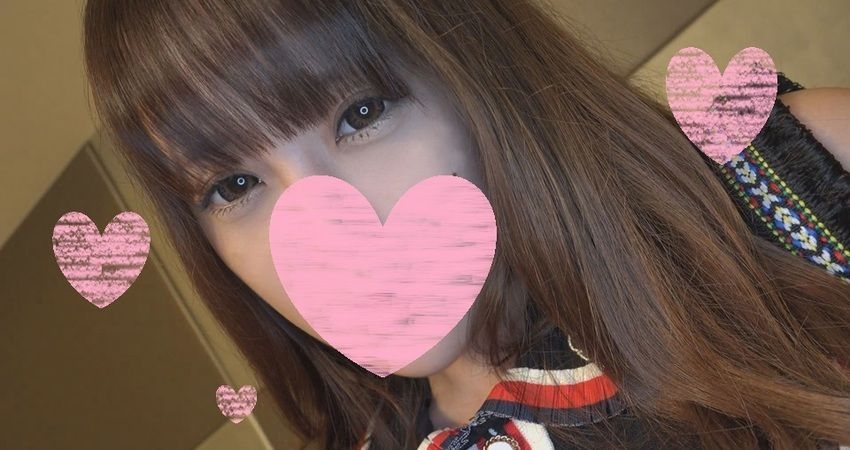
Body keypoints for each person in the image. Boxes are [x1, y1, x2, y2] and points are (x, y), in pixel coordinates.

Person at [81, 0, 850, 448]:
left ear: (477, 73)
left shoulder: (794, 181)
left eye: (362, 114)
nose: (329, 237)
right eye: (235, 185)